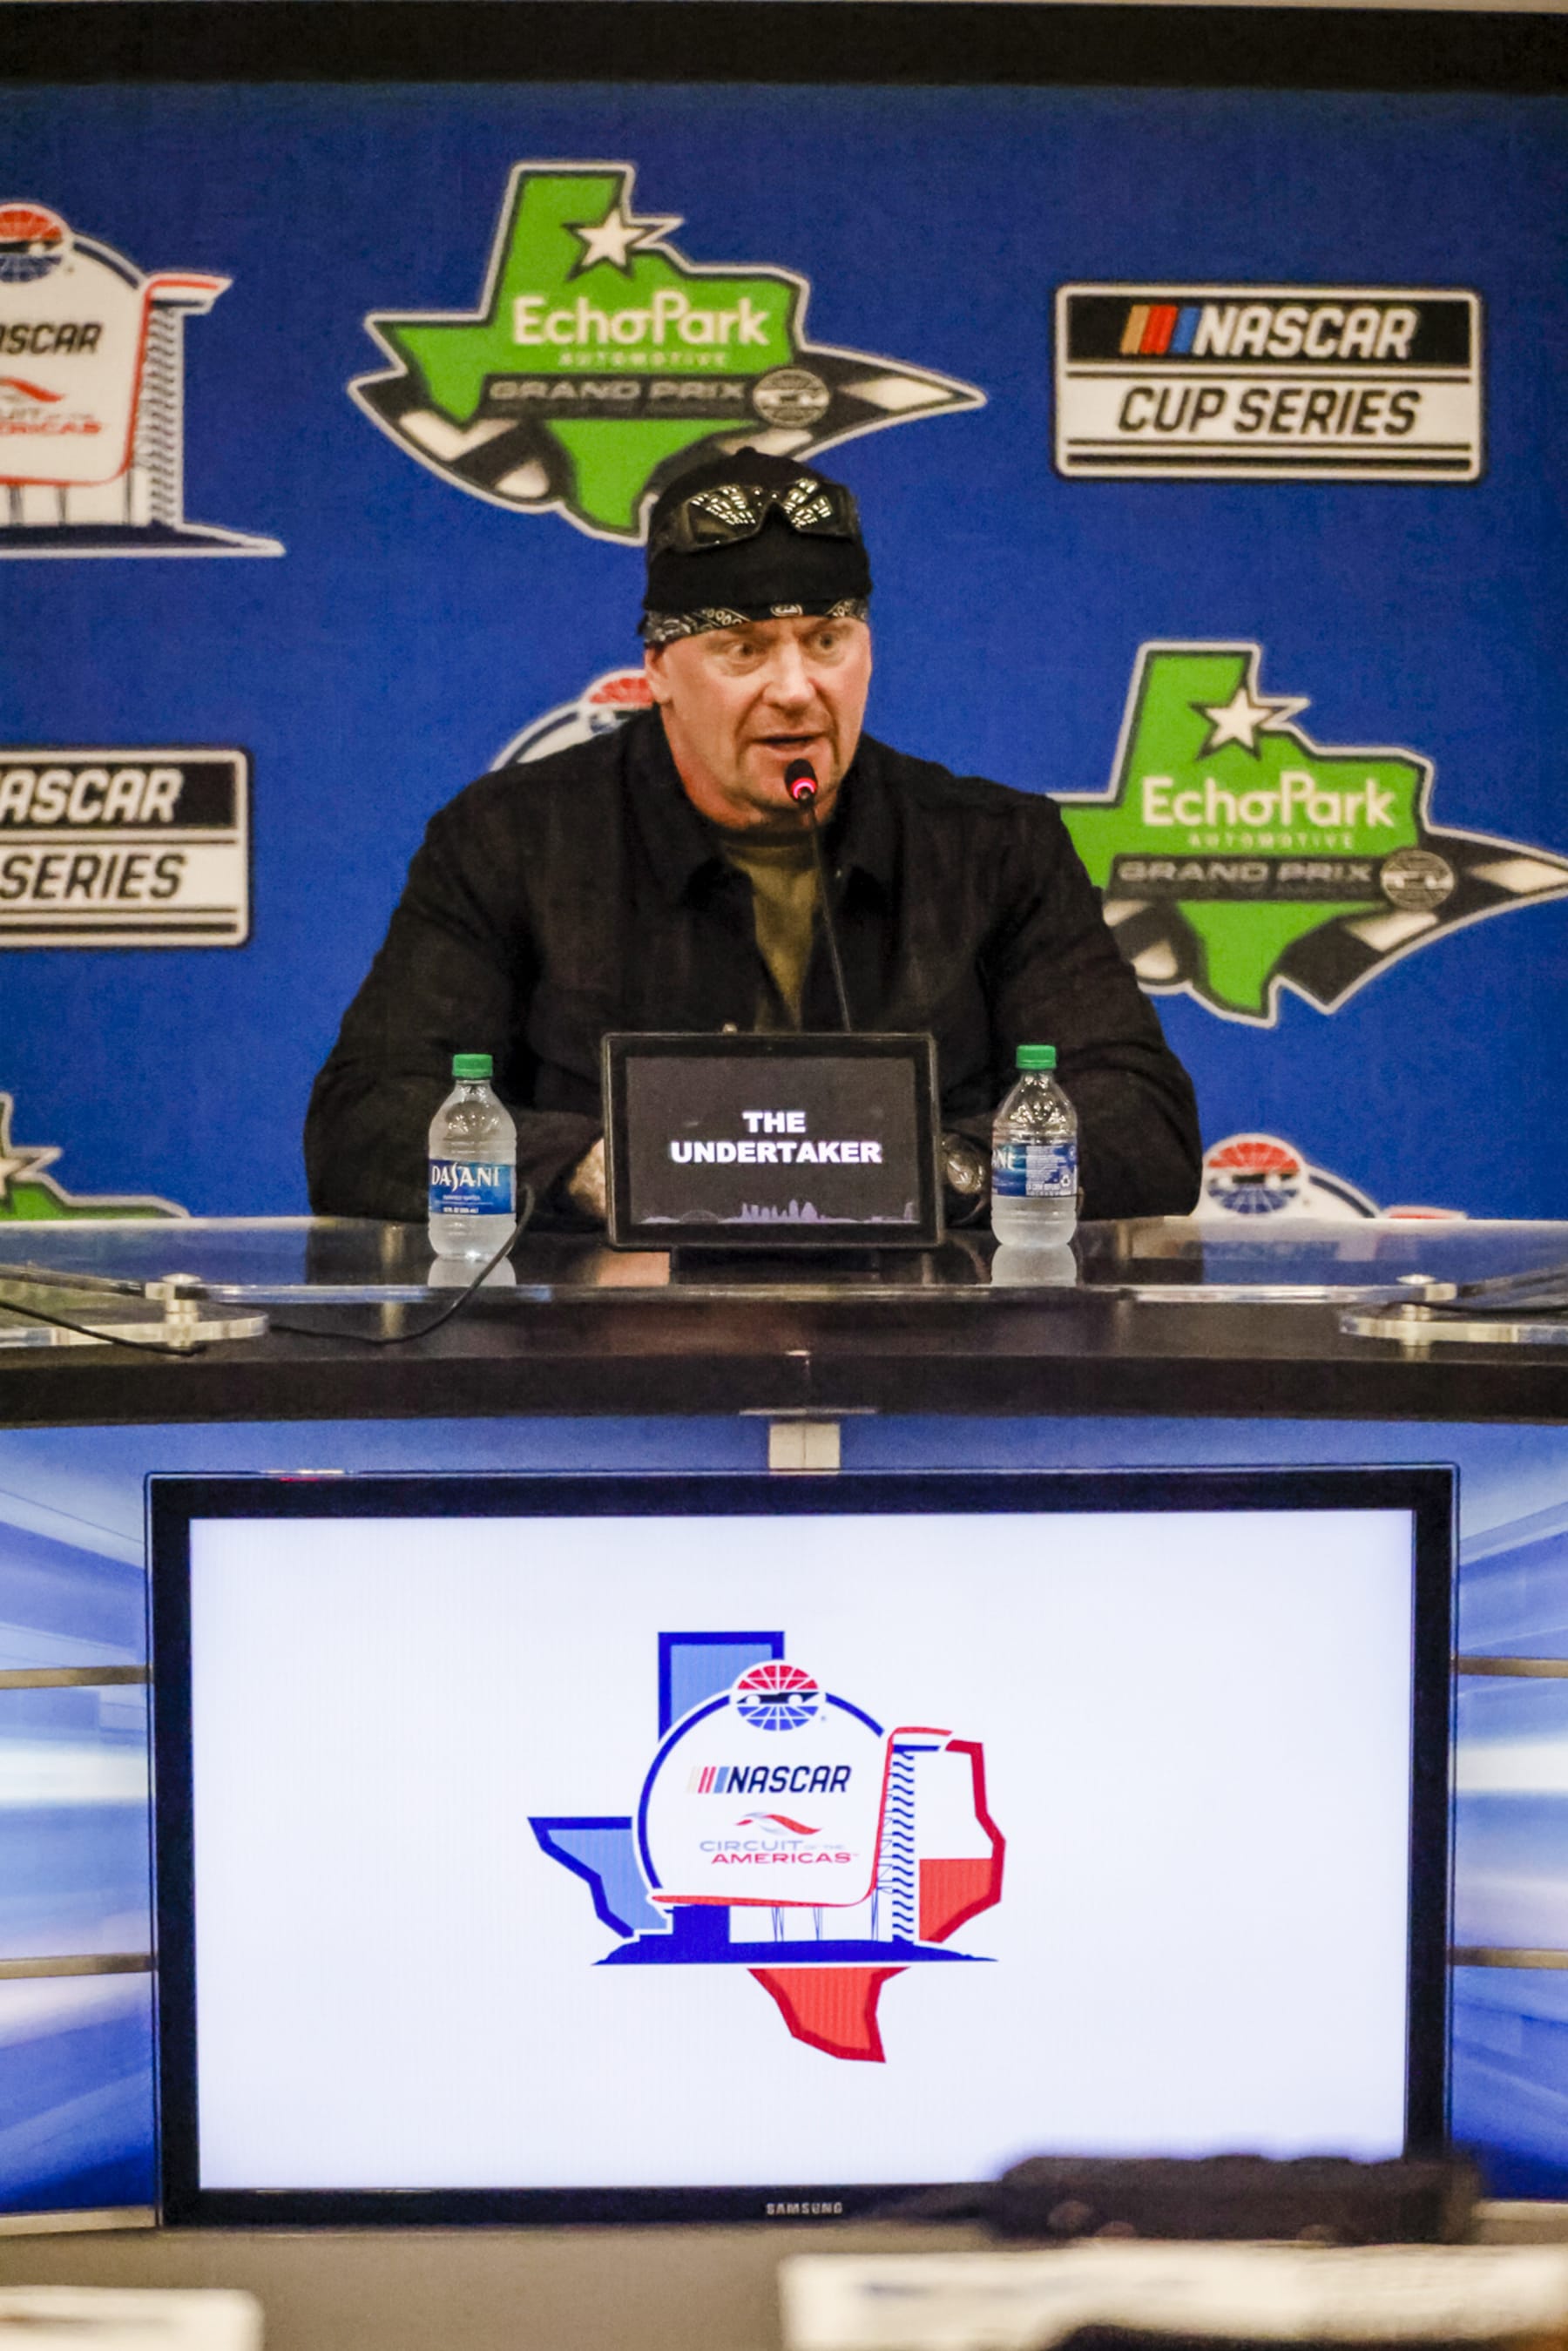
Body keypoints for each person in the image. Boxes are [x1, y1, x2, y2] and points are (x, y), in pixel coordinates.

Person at [305, 449, 1200, 1226]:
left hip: (922, 1358)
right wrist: (589, 1172)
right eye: (744, 648)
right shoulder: (511, 841)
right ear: (658, 669)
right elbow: (364, 1122)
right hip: (612, 1364)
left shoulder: (996, 847)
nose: (797, 688)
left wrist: (941, 1171)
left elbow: (1143, 1123)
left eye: (827, 639)